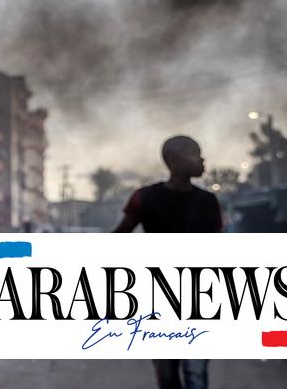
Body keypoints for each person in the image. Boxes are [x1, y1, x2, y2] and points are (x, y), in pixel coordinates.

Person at [113, 135, 220, 389]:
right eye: (195, 153)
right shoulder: (145, 197)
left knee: (196, 377)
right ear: (173, 161)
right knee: (168, 376)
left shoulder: (208, 201)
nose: (202, 159)